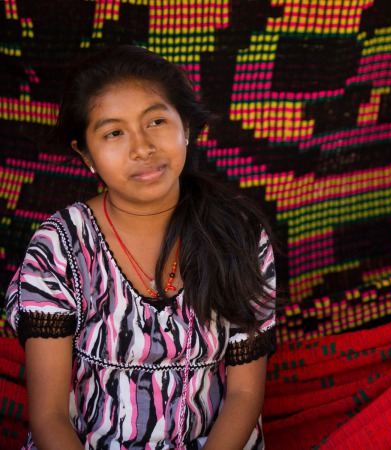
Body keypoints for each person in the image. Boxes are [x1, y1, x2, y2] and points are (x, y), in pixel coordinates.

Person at [5, 45, 277, 450]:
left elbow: (243, 396)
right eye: (114, 132)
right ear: (86, 154)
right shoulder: (60, 246)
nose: (142, 147)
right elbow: (49, 417)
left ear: (186, 126)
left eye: (156, 121)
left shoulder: (238, 233)